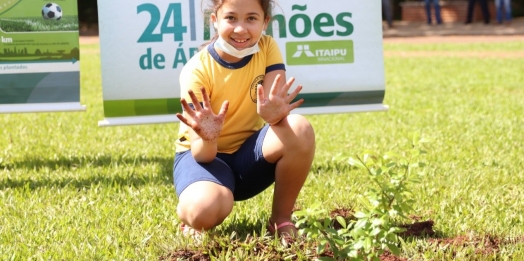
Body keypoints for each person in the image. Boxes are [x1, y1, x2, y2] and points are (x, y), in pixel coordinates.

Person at [173, 0, 316, 237]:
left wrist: (272, 115)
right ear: (215, 20)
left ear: (265, 22)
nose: (241, 29)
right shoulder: (196, 71)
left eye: (251, 18)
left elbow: (272, 106)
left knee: (299, 128)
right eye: (231, 18)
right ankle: (191, 216)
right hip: (205, 160)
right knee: (203, 211)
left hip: (247, 159)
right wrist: (209, 137)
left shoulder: (267, 47)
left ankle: (281, 219)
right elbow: (202, 154)